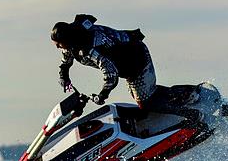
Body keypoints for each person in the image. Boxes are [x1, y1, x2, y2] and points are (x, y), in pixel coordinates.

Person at [51, 14, 199, 112]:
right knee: (144, 98)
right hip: (128, 64)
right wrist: (64, 75)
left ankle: (191, 107)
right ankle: (185, 97)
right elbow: (66, 60)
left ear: (68, 39)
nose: (57, 47)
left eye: (59, 43)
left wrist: (102, 95)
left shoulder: (92, 47)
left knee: (147, 103)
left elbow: (111, 74)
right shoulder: (72, 43)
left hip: (138, 60)